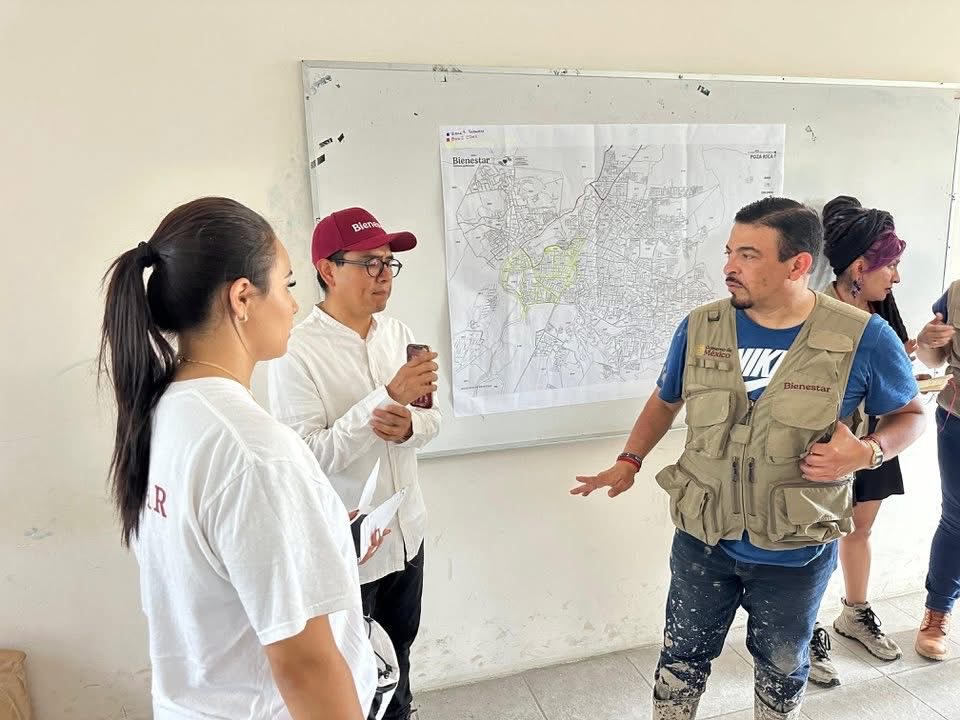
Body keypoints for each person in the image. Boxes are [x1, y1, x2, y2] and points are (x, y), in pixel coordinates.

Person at [570, 197, 925, 720]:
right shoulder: (701, 326)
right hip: (703, 540)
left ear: (798, 264)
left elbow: (911, 415)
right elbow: (666, 399)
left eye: (749, 255)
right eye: (730, 252)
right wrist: (630, 459)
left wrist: (868, 451)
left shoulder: (864, 337)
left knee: (781, 671)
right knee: (680, 661)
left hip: (794, 550)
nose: (729, 267)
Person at [99, 197, 394, 720]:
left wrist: (319, 530)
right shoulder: (255, 453)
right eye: (287, 284)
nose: (294, 305)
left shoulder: (167, 409)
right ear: (242, 298)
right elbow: (305, 667)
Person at [267, 207, 441, 720]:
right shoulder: (295, 351)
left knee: (399, 659)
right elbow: (308, 456)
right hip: (348, 549)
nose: (384, 275)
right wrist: (383, 400)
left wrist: (410, 427)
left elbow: (432, 420)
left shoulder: (399, 334)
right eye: (369, 263)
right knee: (354, 679)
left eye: (389, 262)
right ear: (328, 269)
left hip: (407, 534)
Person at [806, 196, 916, 686]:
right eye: (889, 265)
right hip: (826, 445)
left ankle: (854, 613)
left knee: (859, 529)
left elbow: (897, 379)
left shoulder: (883, 310)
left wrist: (917, 350)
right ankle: (805, 626)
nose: (896, 277)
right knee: (815, 539)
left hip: (876, 437)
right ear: (858, 267)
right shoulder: (813, 310)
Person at [914, 278, 960, 660]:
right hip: (957, 418)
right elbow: (934, 359)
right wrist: (927, 341)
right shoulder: (957, 292)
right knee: (956, 520)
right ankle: (937, 613)